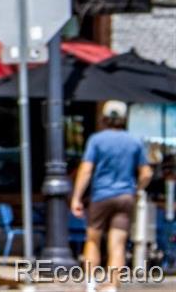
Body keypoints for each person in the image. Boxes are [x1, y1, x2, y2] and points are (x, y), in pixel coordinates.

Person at [71, 100, 153, 291]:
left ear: (105, 118)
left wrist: (76, 197)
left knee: (93, 239)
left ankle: (91, 283)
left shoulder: (97, 140)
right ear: (124, 119)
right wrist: (137, 189)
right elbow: (147, 173)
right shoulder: (134, 141)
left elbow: (85, 170)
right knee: (118, 243)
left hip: (101, 196)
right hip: (125, 196)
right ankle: (112, 286)